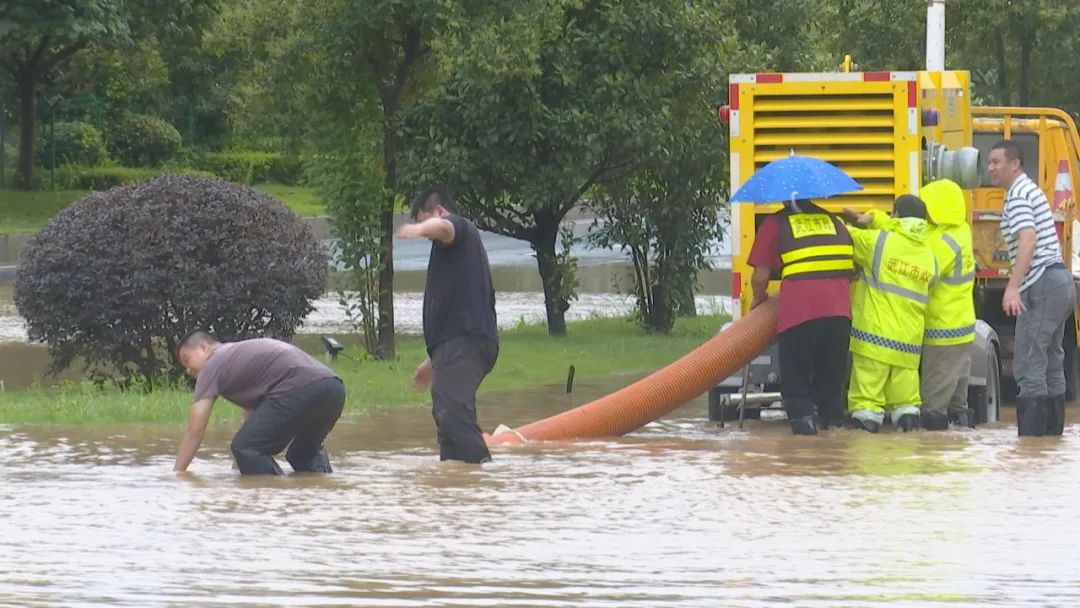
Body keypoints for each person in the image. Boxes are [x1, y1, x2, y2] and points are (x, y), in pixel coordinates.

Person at [397, 187, 499, 463]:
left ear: (440, 211)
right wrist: (434, 360)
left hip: (465, 344)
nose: (424, 231)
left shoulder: (458, 228)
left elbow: (442, 227)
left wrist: (417, 230)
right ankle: (454, 489)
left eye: (424, 221)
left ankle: (482, 483)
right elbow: (456, 310)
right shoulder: (456, 253)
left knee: (454, 417)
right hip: (458, 346)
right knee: (447, 421)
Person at [989, 139, 1076, 436]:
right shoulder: (1030, 190)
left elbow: (1028, 239)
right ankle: (1051, 446)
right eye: (989, 162)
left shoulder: (1018, 196)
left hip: (1041, 283)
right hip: (1059, 281)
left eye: (996, 162)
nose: (990, 168)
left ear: (1015, 164)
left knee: (1029, 363)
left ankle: (1031, 447)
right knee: (1051, 361)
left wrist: (1013, 287)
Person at [748, 198, 854, 435]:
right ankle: (834, 427)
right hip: (839, 314)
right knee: (831, 385)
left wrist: (759, 297)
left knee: (796, 384)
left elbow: (759, 277)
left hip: (799, 315)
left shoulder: (775, 223)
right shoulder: (835, 222)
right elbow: (850, 270)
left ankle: (804, 429)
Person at [173, 333, 346, 475]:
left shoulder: (212, 365)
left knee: (246, 448)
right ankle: (325, 492)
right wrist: (240, 465)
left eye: (187, 360)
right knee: (303, 453)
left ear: (204, 347)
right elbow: (254, 423)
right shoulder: (236, 357)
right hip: (333, 387)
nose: (188, 370)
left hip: (301, 388)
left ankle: (274, 501)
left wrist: (177, 475)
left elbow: (195, 430)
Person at [842, 195, 937, 433]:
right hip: (908, 344)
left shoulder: (878, 243)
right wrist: (876, 218)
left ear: (895, 215)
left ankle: (867, 443)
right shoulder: (929, 255)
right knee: (907, 405)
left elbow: (844, 236)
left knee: (866, 406)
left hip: (874, 339)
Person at [919, 179, 977, 430]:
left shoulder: (943, 242)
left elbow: (924, 275)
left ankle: (934, 452)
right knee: (957, 400)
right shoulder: (961, 229)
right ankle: (959, 446)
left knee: (933, 402)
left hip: (942, 329)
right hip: (962, 325)